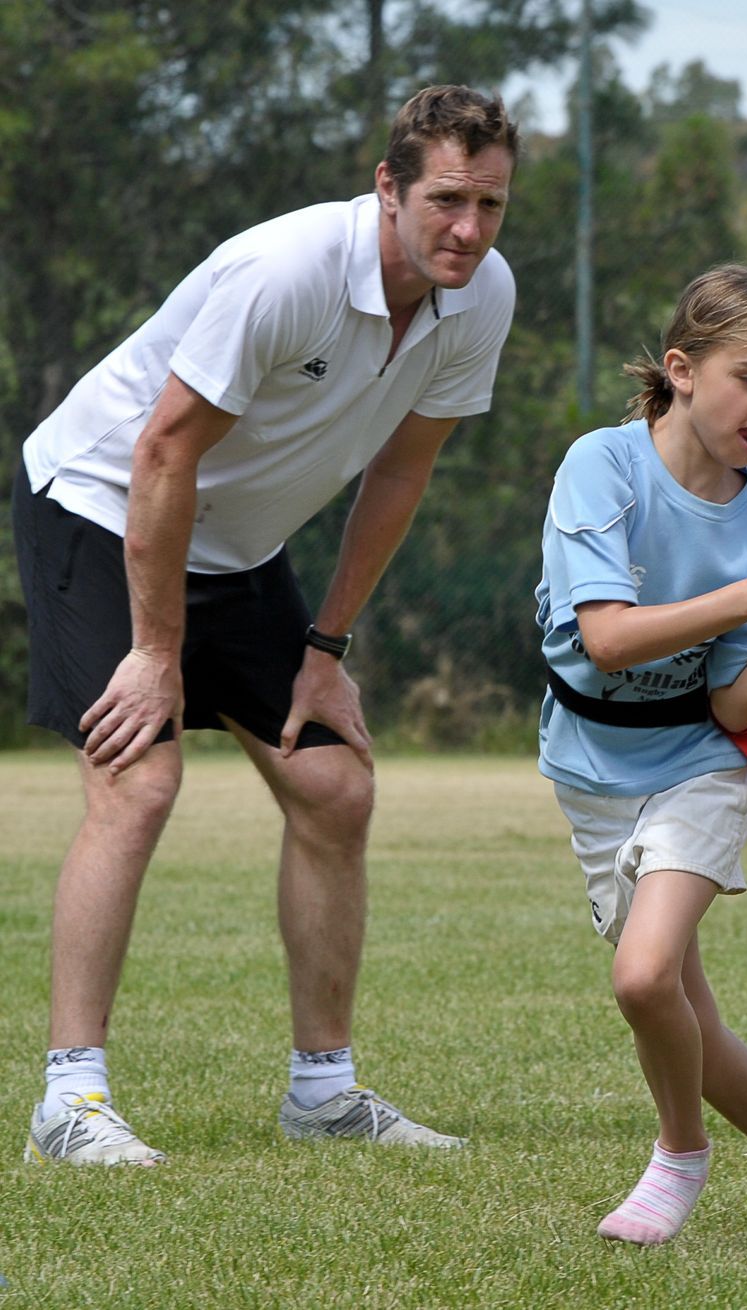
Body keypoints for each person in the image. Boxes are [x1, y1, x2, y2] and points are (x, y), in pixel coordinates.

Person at [14, 85, 520, 1165]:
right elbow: (162, 454)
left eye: (489, 205)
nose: (467, 230)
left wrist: (326, 651)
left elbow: (401, 469)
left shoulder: (479, 297)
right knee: (138, 776)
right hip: (103, 507)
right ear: (387, 188)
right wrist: (156, 655)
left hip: (235, 549)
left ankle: (324, 1092)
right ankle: (70, 1101)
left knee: (335, 783)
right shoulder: (284, 271)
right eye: (444, 200)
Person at [536, 264, 747, 1247]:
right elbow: (608, 639)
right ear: (681, 368)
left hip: (699, 766)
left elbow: (732, 698)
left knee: (644, 980)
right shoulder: (602, 466)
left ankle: (679, 1155)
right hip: (590, 772)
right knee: (687, 1014)